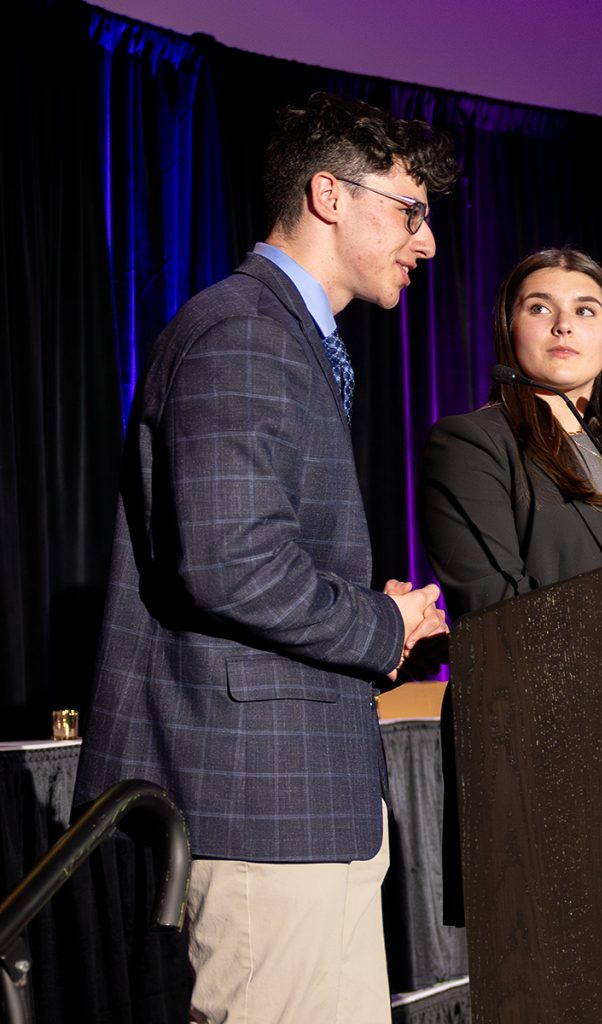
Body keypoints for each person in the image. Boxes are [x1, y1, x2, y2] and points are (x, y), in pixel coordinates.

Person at [74, 93, 459, 1024]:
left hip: (301, 814)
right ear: (330, 194)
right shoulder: (244, 334)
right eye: (411, 211)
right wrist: (382, 623)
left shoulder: (280, 337)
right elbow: (233, 566)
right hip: (263, 814)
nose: (428, 242)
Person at [417, 247, 602, 923]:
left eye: (584, 311)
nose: (563, 325)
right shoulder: (472, 444)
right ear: (511, 329)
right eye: (541, 308)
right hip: (542, 762)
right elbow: (497, 615)